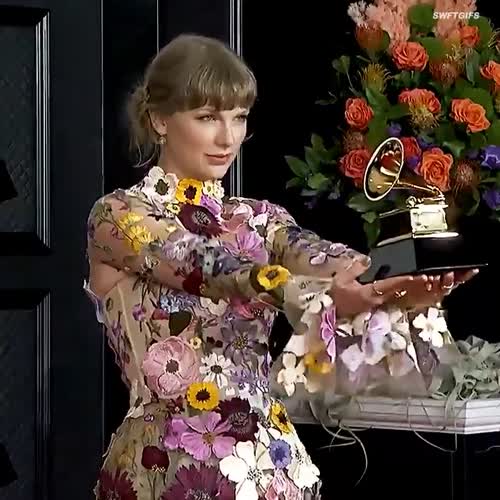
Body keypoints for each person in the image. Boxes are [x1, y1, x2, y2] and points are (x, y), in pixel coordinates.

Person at [84, 34, 477, 500]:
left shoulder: (260, 218)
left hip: (272, 470)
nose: (228, 138)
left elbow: (319, 255)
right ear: (159, 119)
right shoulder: (118, 215)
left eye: (239, 117)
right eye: (208, 117)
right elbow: (202, 263)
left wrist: (389, 284)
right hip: (161, 470)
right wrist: (302, 291)